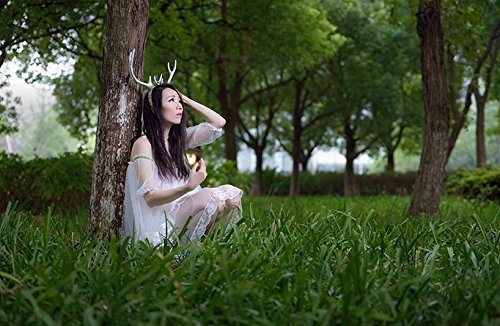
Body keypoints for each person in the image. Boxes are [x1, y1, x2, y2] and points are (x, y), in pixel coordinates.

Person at [123, 82, 243, 246]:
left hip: (182, 210)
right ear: (155, 108)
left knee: (232, 195)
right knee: (213, 198)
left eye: (179, 102)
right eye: (171, 101)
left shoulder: (178, 140)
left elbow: (218, 122)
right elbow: (150, 198)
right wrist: (188, 186)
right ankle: (184, 248)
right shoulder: (144, 144)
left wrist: (185, 99)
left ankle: (206, 244)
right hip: (161, 222)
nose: (179, 106)